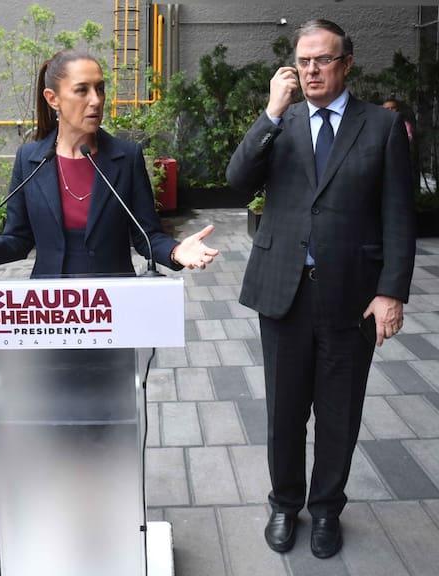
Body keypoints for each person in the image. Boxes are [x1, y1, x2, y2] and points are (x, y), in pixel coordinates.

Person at [226, 19, 415, 559]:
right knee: (285, 411)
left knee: (339, 411)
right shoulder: (279, 122)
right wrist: (270, 110)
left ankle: (327, 508)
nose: (311, 69)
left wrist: (391, 292)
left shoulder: (380, 127)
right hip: (283, 291)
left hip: (351, 296)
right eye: (303, 60)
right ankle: (285, 504)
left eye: (323, 60)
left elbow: (398, 215)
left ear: (347, 63)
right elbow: (238, 180)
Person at [0, 49, 218, 276]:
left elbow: (147, 237)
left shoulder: (126, 158)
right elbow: (18, 240)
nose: (96, 100)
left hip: (114, 305)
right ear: (52, 98)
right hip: (50, 310)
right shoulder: (30, 160)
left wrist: (176, 250)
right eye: (82, 90)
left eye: (100, 88)